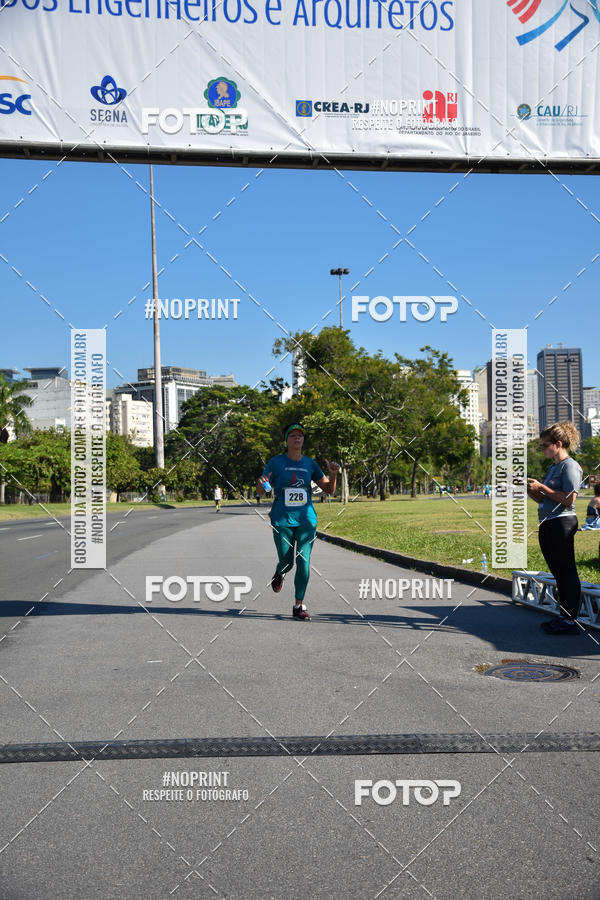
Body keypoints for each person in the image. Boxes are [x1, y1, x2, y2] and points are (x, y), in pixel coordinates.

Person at [257, 423, 340, 621]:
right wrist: (260, 485)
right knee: (287, 562)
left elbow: (329, 490)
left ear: (303, 440)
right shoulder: (276, 463)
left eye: (300, 436)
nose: (297, 438)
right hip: (282, 520)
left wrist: (333, 474)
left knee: (304, 562)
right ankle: (279, 573)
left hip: (306, 520)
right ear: (286, 440)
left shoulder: (310, 464)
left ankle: (298, 605)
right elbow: (262, 491)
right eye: (293, 435)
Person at [527, 422, 583, 635]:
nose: (542, 449)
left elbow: (569, 500)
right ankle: (563, 615)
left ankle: (570, 621)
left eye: (544, 445)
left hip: (563, 522)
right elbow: (546, 499)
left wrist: (542, 487)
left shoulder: (570, 466)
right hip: (549, 523)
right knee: (558, 572)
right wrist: (533, 490)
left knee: (567, 571)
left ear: (558, 444)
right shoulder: (553, 467)